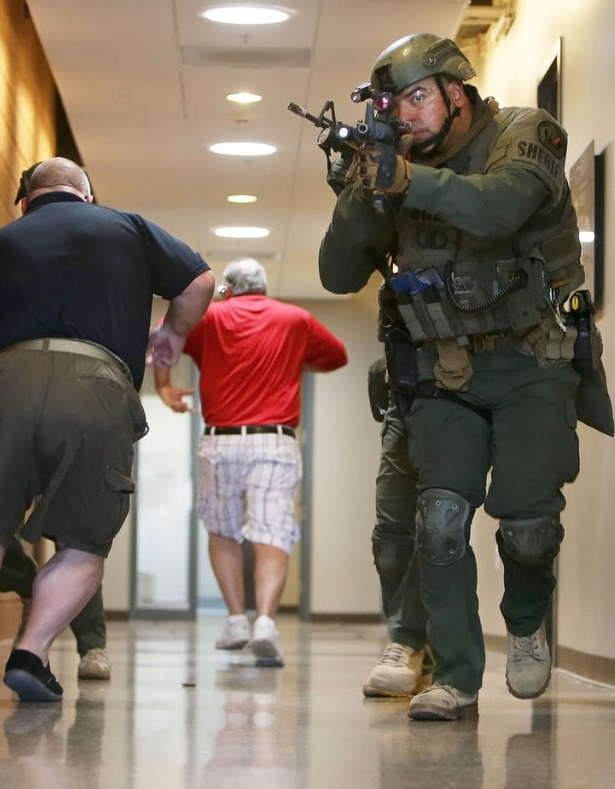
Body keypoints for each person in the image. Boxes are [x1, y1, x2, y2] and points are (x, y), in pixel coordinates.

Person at [319, 34, 586, 720]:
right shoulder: (395, 168)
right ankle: (458, 677)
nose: (405, 115)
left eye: (417, 97)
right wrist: (363, 192)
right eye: (393, 106)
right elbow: (337, 274)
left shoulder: (524, 132)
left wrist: (407, 180)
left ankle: (525, 623)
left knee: (527, 523)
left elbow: (497, 208)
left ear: (455, 93)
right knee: (436, 521)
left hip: (532, 361)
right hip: (445, 367)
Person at [0, 156, 215, 702]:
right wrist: (174, 334)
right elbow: (199, 281)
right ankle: (30, 652)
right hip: (98, 385)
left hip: (7, 383)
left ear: (25, 202)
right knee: (82, 542)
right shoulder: (127, 227)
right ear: (87, 195)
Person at [154, 258, 347, 667]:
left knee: (222, 530)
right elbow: (337, 357)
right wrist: (293, 362)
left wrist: (165, 386)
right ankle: (266, 623)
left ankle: (236, 621)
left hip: (221, 441)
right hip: (274, 441)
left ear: (226, 288)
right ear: (263, 287)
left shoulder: (209, 318)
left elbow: (164, 337)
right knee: (272, 532)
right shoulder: (295, 319)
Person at [362, 358, 429, 698]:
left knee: (438, 530)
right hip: (402, 391)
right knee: (389, 543)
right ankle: (416, 650)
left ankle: (407, 641)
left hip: (456, 393)